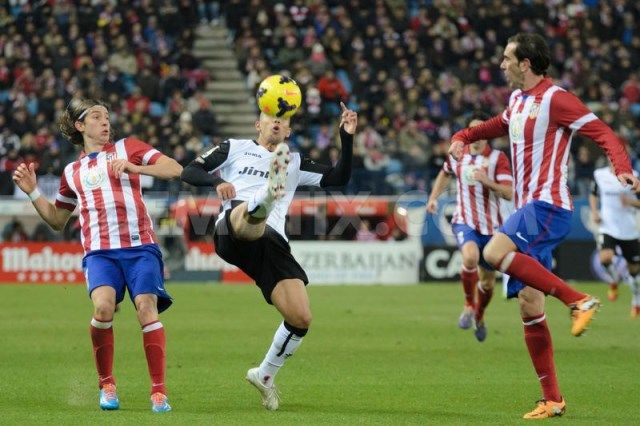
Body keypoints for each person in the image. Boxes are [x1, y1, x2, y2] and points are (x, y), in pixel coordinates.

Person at [448, 33, 640, 419]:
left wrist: (622, 168)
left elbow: (603, 132)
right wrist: (463, 136)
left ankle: (578, 299)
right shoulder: (518, 101)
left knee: (492, 253)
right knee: (529, 304)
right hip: (528, 208)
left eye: (507, 58)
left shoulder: (557, 99)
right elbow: (494, 125)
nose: (501, 64)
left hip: (547, 204)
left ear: (526, 63)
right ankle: (553, 399)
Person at [180, 102, 357, 411]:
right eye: (269, 118)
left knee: (300, 318)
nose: (276, 123)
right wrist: (218, 181)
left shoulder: (297, 161)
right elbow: (190, 170)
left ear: (288, 130)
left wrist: (347, 136)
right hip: (232, 231)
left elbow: (338, 178)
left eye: (282, 121)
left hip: (272, 243)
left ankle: (263, 376)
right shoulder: (233, 148)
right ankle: (264, 197)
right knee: (247, 218)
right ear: (257, 125)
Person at [12, 99, 182, 413]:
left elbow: (174, 168)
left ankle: (159, 392)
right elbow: (57, 220)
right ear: (80, 126)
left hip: (140, 247)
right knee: (103, 309)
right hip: (100, 253)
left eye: (106, 116)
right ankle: (107, 384)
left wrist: (136, 167)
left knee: (146, 308)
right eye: (96, 116)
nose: (105, 122)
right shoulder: (72, 171)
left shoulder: (127, 148)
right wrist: (34, 192)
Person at [427, 113, 513, 342]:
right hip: (464, 220)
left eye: (481, 131)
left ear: (488, 134)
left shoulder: (498, 158)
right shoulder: (459, 154)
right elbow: (445, 173)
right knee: (470, 257)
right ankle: (468, 304)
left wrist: (486, 181)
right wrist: (434, 197)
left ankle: (480, 315)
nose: (476, 137)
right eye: (472, 132)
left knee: (486, 281)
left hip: (493, 228)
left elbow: (508, 193)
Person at [589, 163, 640, 316]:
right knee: (605, 258)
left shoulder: (634, 176)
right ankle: (613, 280)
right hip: (608, 226)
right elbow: (593, 193)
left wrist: (630, 202)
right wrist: (594, 212)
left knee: (634, 271)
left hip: (628, 230)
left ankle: (636, 299)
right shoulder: (599, 174)